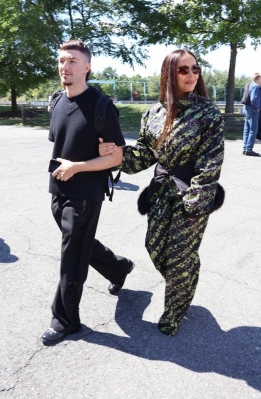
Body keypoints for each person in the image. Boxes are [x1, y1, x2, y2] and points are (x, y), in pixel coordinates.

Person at [99, 49, 225, 336]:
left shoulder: (207, 113)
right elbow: (144, 154)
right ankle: (185, 284)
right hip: (160, 191)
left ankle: (175, 311)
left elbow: (211, 162)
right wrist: (115, 153)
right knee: (155, 248)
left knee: (181, 254)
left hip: (192, 192)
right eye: (184, 70)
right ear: (169, 73)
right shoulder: (154, 113)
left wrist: (196, 204)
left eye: (195, 69)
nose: (192, 75)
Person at [41, 39, 134, 346]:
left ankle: (65, 320)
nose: (64, 66)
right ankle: (119, 267)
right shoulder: (57, 101)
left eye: (72, 61)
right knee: (80, 245)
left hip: (85, 193)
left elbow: (116, 157)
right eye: (62, 60)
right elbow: (61, 140)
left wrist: (78, 166)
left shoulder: (101, 106)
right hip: (58, 189)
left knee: (71, 256)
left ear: (87, 67)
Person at [242, 72, 261, 156]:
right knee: (253, 130)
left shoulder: (249, 85)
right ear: (257, 79)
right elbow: (254, 99)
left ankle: (245, 148)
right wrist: (258, 108)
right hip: (253, 109)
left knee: (247, 129)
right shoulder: (256, 86)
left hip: (246, 108)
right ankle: (249, 149)